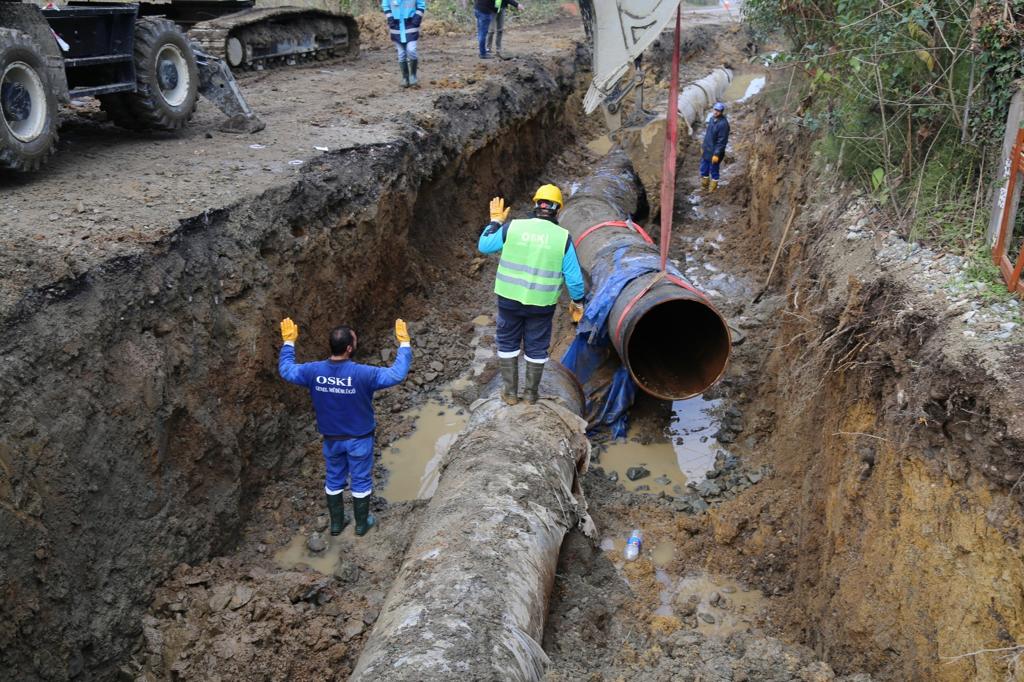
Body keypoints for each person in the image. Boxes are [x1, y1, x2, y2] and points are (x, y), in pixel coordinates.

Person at [278, 317, 412, 536]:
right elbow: (396, 374)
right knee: (360, 480)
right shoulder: (364, 373)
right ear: (349, 348)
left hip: (332, 440)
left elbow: (286, 370)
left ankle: (337, 524)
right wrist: (404, 344)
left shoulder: (313, 372)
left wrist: (288, 343)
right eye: (355, 341)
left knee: (333, 478)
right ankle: (361, 524)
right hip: (359, 439)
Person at [478, 184, 586, 405]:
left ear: (536, 204)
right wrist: (578, 302)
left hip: (509, 301)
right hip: (541, 306)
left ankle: (509, 393)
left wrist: (495, 222)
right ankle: (530, 395)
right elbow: (574, 279)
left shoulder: (513, 227)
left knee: (507, 343)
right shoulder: (562, 238)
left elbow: (484, 246)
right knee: (536, 347)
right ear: (558, 209)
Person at [382, 0, 426, 87]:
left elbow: (421, 5)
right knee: (401, 53)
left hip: (411, 25)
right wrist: (390, 18)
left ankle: (413, 75)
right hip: (396, 26)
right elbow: (385, 5)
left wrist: (416, 18)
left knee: (411, 50)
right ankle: (405, 78)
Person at [700, 101, 730, 192]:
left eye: (718, 111)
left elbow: (721, 142)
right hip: (707, 150)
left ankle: (713, 188)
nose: (716, 112)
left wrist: (717, 154)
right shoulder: (712, 119)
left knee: (714, 171)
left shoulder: (723, 124)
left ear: (721, 112)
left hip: (714, 153)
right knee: (704, 169)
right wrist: (703, 146)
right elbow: (707, 135)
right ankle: (704, 185)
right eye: (715, 110)